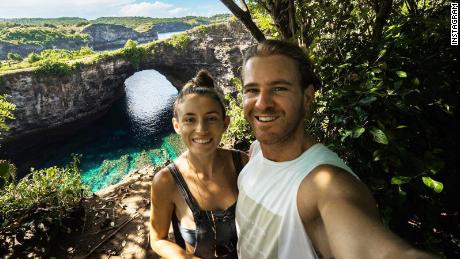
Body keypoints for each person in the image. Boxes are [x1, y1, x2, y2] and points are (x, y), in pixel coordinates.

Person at [235, 40, 438, 259]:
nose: (262, 103)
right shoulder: (256, 152)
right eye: (252, 90)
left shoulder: (325, 185)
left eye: (279, 88)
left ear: (307, 97)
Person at [149, 70, 248, 259]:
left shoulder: (242, 163)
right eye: (190, 120)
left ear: (225, 123)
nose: (201, 129)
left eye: (211, 118)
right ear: (177, 126)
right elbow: (158, 239)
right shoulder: (165, 181)